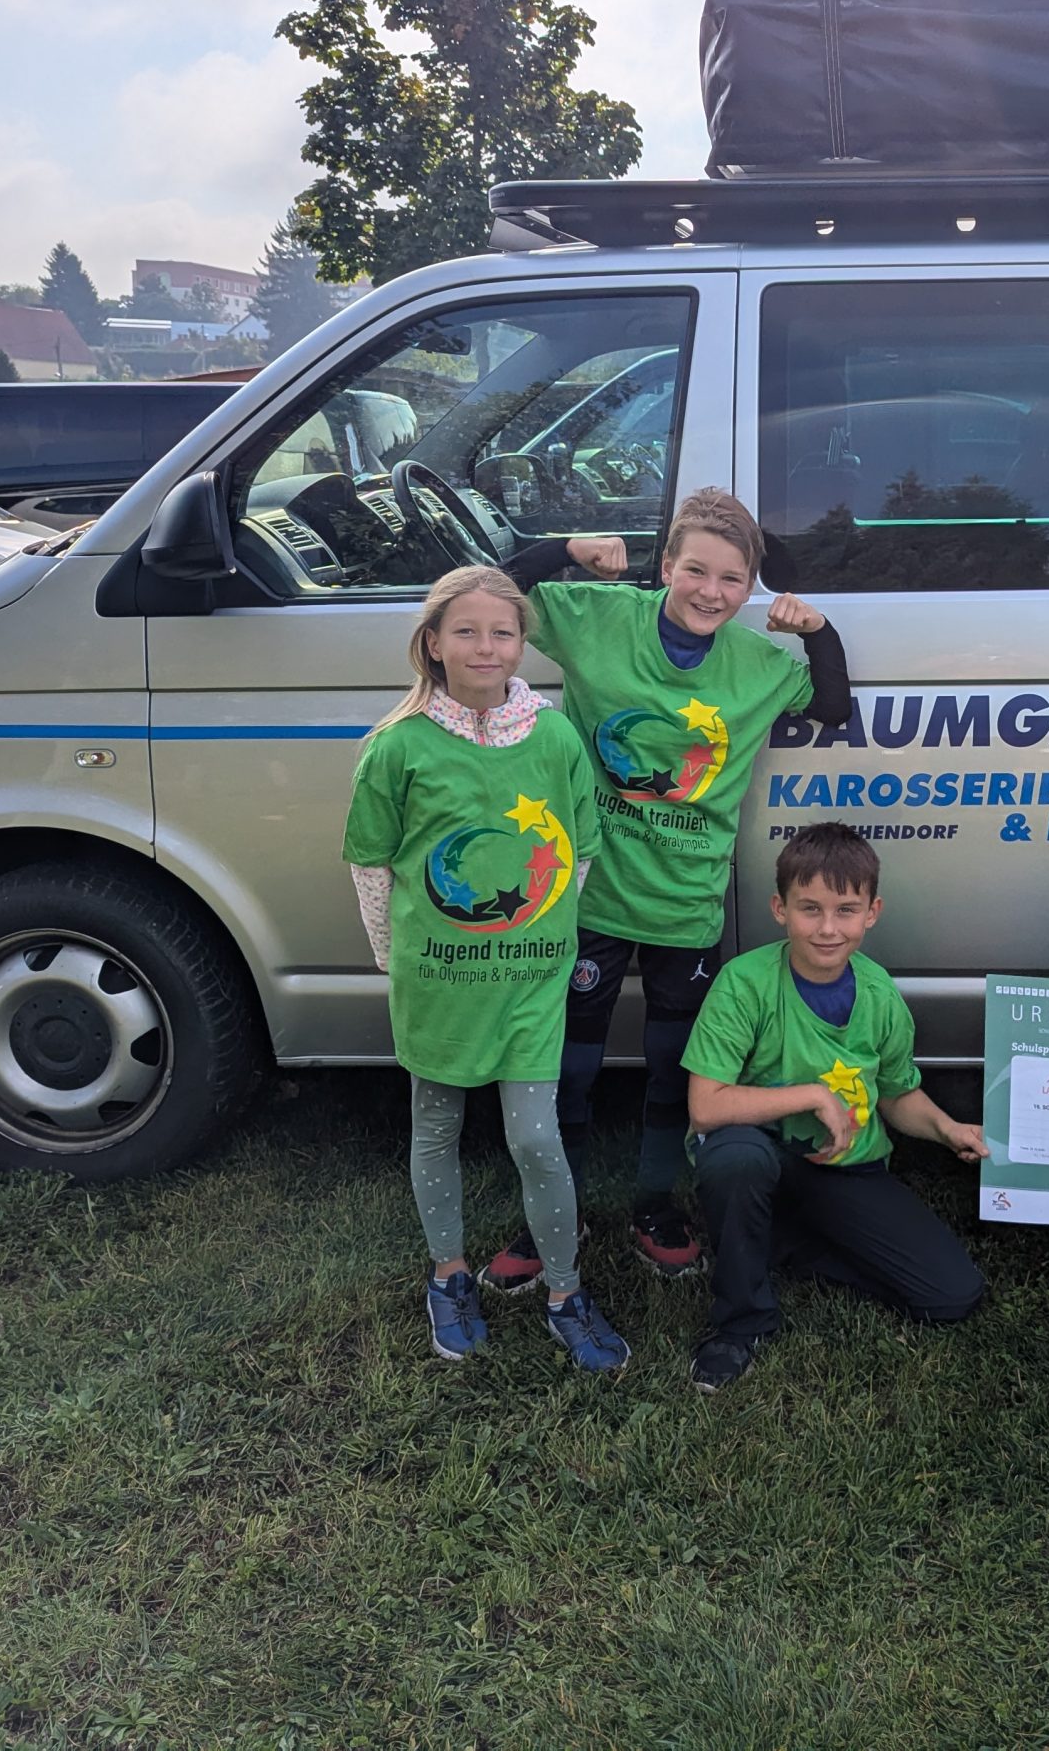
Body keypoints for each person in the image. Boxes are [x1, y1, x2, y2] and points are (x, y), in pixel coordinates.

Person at [487, 491, 854, 1289]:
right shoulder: (597, 618)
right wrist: (566, 548)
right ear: (665, 568)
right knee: (567, 1064)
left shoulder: (758, 665)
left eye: (732, 579)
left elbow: (832, 705)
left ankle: (655, 1204)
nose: (710, 592)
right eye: (695, 571)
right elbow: (492, 596)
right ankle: (555, 1209)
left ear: (750, 586)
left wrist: (817, 630)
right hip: (587, 892)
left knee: (673, 1067)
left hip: (685, 903)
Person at [342, 566, 627, 1371]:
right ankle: (448, 1275)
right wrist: (396, 960)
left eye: (502, 632)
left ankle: (565, 1292)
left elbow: (579, 849)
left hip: (529, 983)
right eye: (465, 631)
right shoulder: (398, 746)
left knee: (536, 1137)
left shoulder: (556, 738)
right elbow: (371, 864)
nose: (485, 647)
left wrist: (534, 932)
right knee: (435, 1127)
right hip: (437, 984)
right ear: (432, 643)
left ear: (522, 644)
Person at [682, 823, 989, 1393]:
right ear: (780, 909)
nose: (828, 928)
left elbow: (895, 1094)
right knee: (735, 1158)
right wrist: (811, 1095)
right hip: (763, 1156)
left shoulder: (880, 995)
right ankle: (740, 1324)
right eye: (810, 909)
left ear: (872, 913)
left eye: (846, 910)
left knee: (951, 1295)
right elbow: (705, 1105)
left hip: (847, 1168)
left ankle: (785, 1242)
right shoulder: (743, 984)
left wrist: (947, 1129)